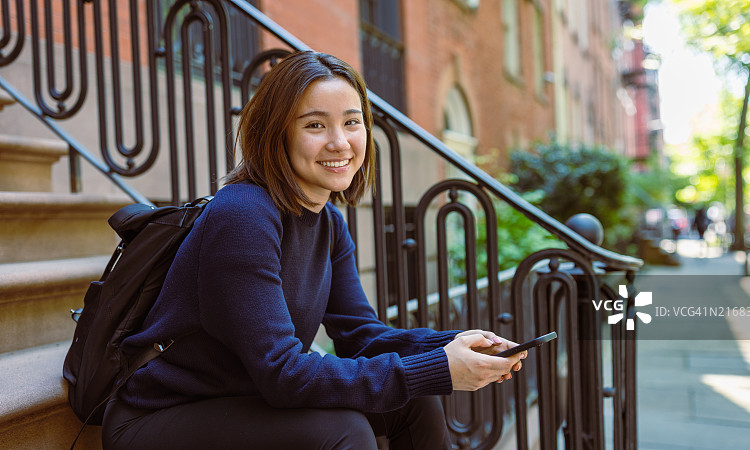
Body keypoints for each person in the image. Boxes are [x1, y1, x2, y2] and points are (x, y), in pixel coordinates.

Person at [101, 51, 526, 449]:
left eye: (352, 122)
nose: (340, 143)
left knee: (414, 399)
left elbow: (361, 336)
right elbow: (283, 374)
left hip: (248, 397)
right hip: (162, 414)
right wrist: (436, 369)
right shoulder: (243, 215)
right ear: (277, 134)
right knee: (345, 432)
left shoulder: (328, 223)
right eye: (315, 125)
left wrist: (455, 345)